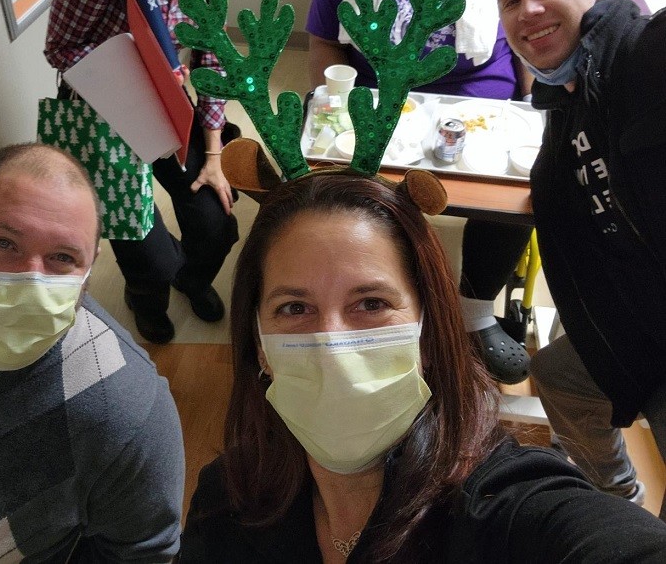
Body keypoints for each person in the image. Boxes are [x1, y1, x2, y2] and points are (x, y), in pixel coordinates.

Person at [179, 169, 666, 562]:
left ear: (428, 333)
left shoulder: (505, 507)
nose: (333, 342)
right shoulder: (226, 498)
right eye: (293, 308)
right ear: (259, 347)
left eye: (370, 303)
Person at [306, 0, 532, 384]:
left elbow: (524, 26)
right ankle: (383, 305)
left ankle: (475, 316)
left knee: (513, 197)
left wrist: (528, 105)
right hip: (382, 97)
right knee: (366, 199)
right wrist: (332, 108)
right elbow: (323, 41)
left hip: (476, 92)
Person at [45, 0, 261, 343]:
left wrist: (212, 154)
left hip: (168, 100)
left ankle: (189, 278)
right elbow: (60, 48)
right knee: (142, 244)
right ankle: (147, 296)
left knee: (215, 225)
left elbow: (209, 57)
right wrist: (127, 65)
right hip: (103, 113)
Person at [0, 143, 184, 561]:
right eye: (4, 244)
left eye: (62, 257)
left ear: (91, 268)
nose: (30, 284)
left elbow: (143, 554)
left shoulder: (125, 409)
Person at [492, 0, 666, 518]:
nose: (528, 10)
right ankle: (616, 499)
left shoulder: (644, 57)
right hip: (640, 325)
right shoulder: (564, 103)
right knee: (559, 377)